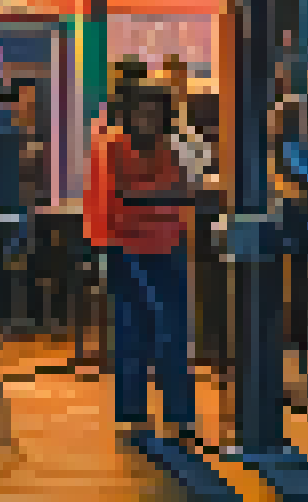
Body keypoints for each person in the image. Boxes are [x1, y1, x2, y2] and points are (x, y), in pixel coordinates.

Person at [86, 80, 198, 443]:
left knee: (175, 332)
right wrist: (162, 194)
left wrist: (150, 194)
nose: (147, 116)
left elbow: (175, 190)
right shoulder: (112, 145)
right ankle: (132, 413)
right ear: (129, 112)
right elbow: (123, 193)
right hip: (126, 248)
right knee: (132, 331)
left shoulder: (167, 148)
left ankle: (179, 415)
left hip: (168, 246)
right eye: (141, 110)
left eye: (154, 110)